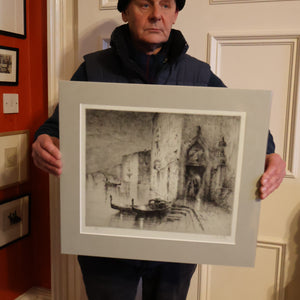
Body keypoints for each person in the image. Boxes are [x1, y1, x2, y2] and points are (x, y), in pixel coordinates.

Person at [32, 0, 286, 299]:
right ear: (125, 12)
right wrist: (43, 142)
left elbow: (248, 123)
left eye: (166, 4)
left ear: (175, 14)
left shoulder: (199, 74)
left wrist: (270, 154)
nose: (156, 14)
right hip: (105, 249)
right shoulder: (93, 69)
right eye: (144, 4)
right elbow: (55, 128)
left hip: (174, 252)